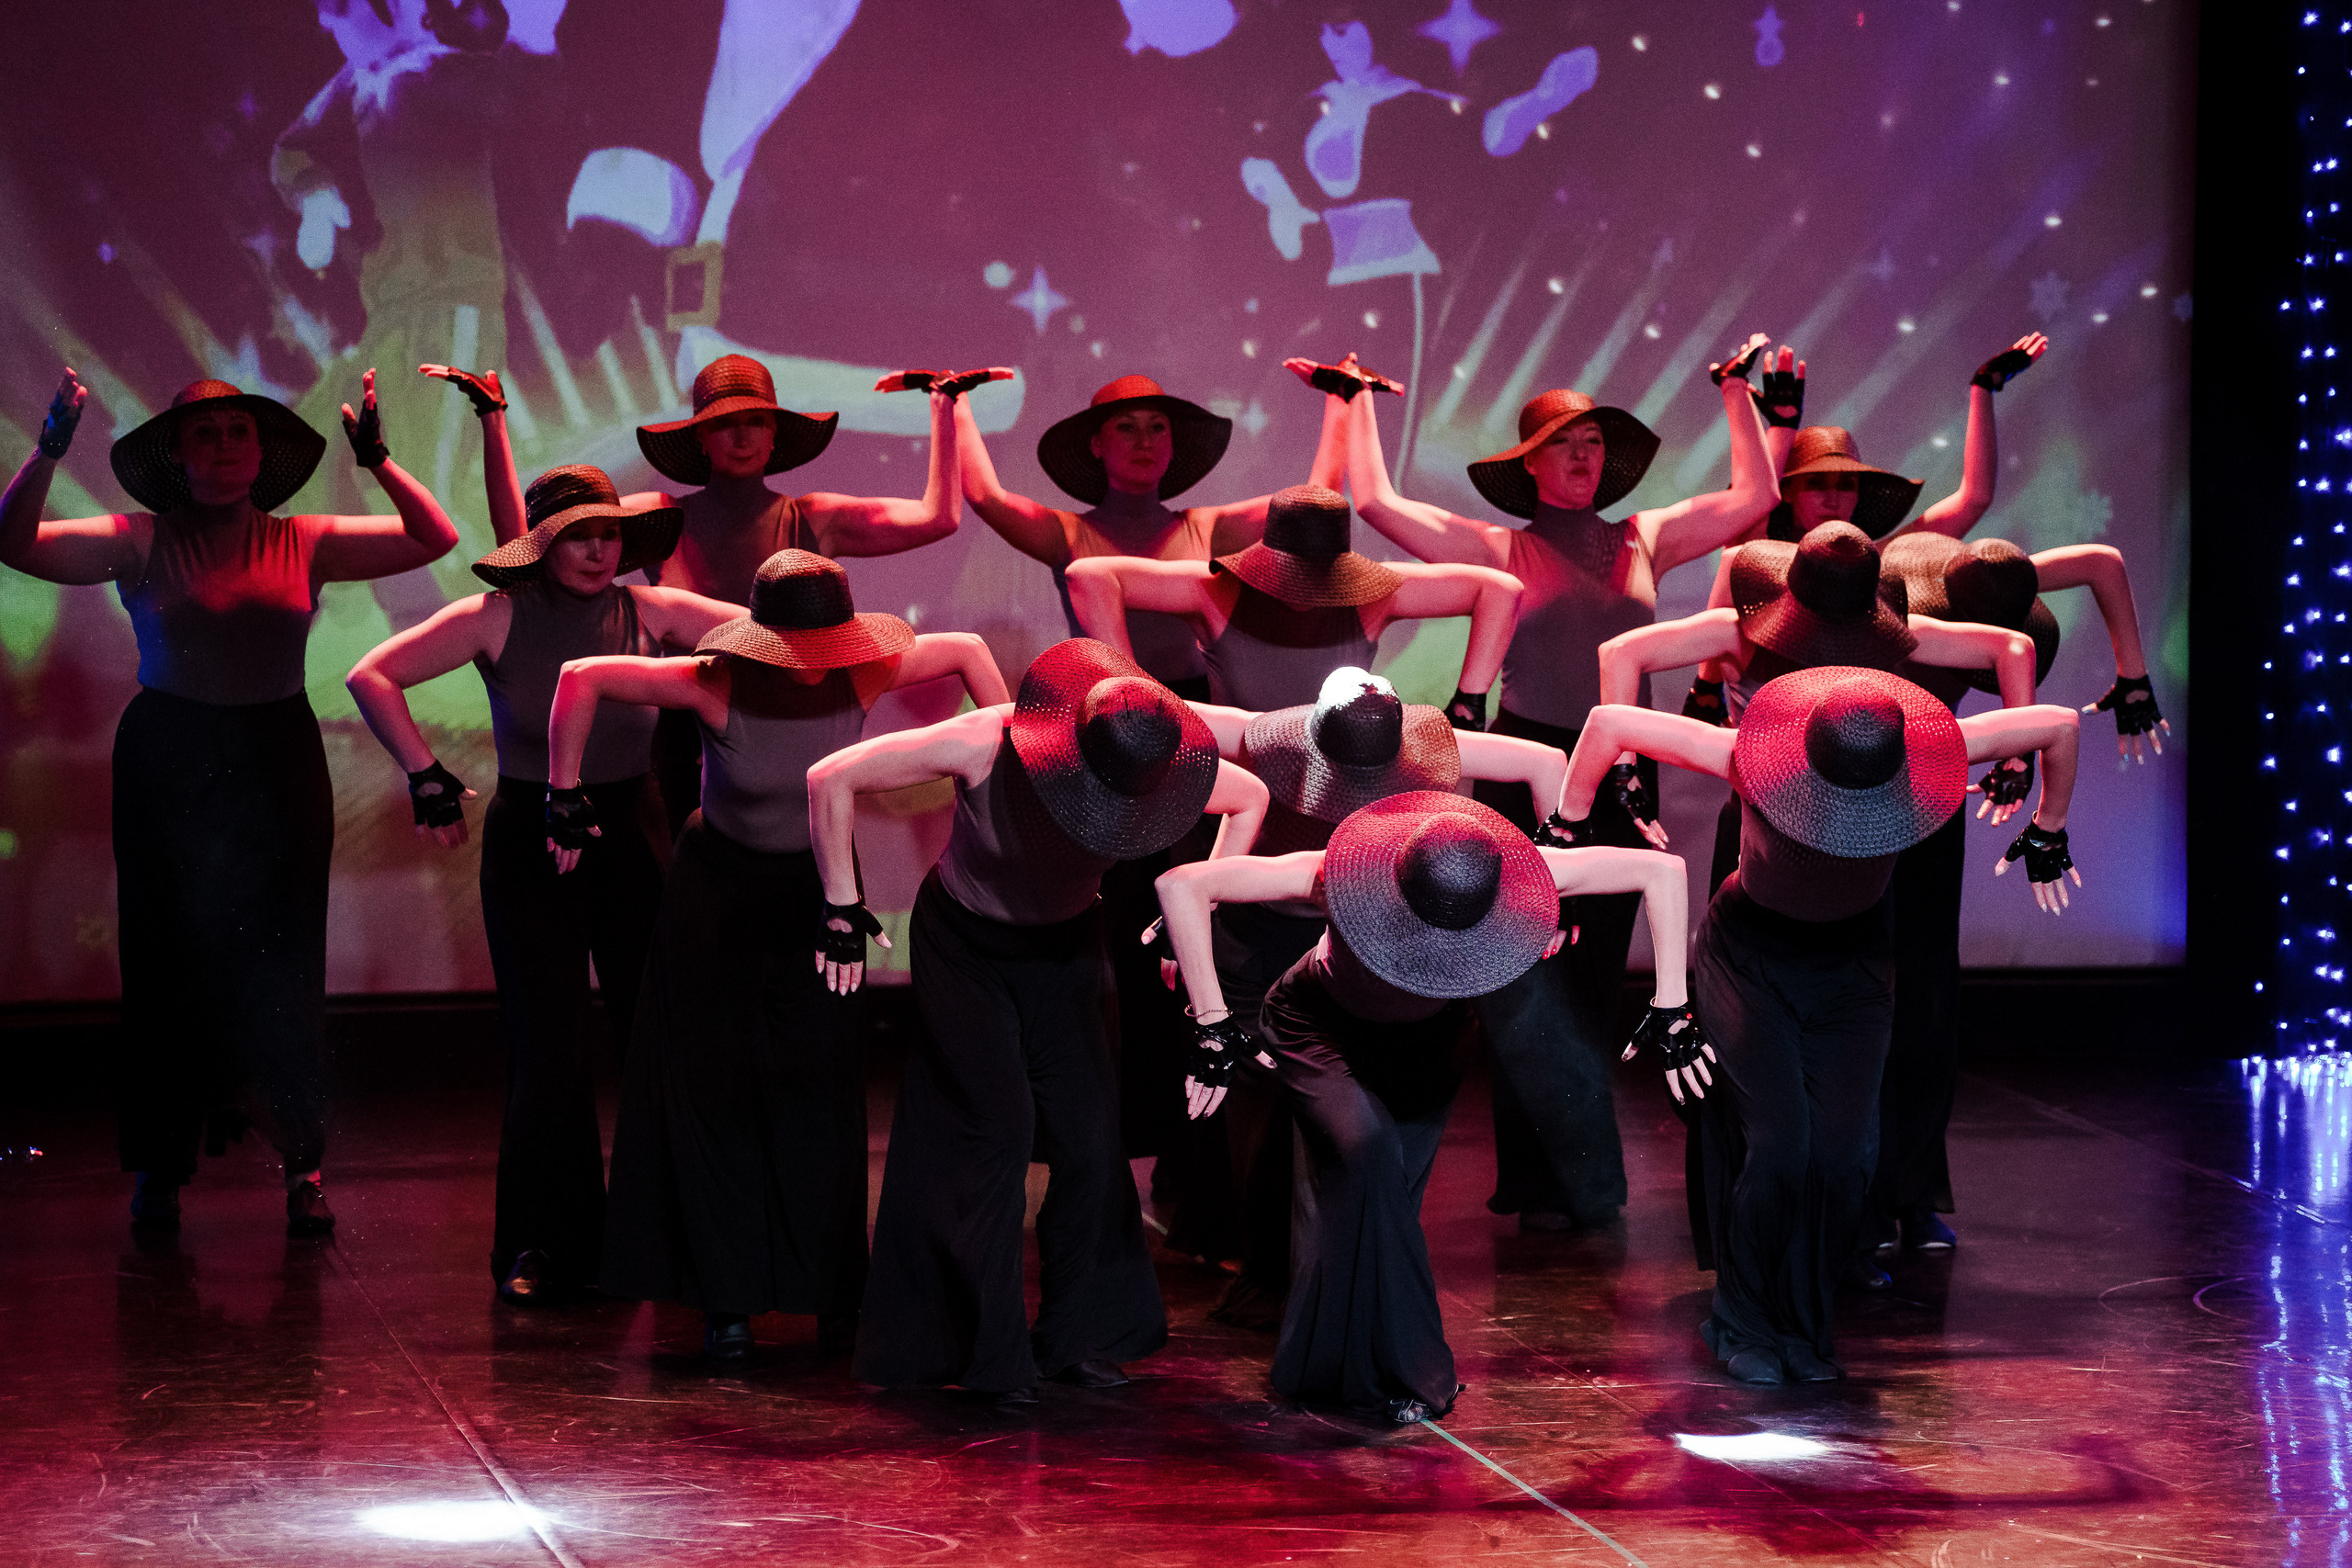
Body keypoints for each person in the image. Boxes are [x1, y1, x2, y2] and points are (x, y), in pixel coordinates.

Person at [0, 367, 459, 1236]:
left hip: (276, 755)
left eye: (238, 432)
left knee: (284, 963)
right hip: (170, 757)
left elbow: (432, 536)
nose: (223, 445)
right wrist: (50, 445)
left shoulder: (307, 536)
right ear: (177, 454)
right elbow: (13, 542)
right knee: (165, 966)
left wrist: (382, 460)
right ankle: (160, 1173)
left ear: (262, 452)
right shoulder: (139, 539)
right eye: (204, 434)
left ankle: (303, 1165)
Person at [1334, 337, 1779, 1232]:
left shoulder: (1642, 537)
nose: (1583, 460)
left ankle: (1584, 1180)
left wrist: (1736, 391)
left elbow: (1757, 499)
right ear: (1527, 465)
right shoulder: (1499, 546)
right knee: (1521, 965)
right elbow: (1375, 502)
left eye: (1592, 445)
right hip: (1525, 763)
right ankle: (1535, 1180)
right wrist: (1353, 400)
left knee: (1593, 969)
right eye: (1563, 446)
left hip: (1621, 769)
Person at [1555, 668, 2085, 1383]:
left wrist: (2050, 826)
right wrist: (1565, 827)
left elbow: (2061, 726)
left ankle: (1802, 1327)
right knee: (1778, 1148)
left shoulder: (1935, 753)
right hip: (1750, 957)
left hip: (1855, 969)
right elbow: (1607, 722)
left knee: (1844, 1157)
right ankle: (1739, 1320)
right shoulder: (1749, 754)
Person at [546, 547, 1007, 1361]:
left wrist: (999, 776)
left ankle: (831, 1291)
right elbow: (580, 675)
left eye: (825, 643)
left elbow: (969, 651)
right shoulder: (713, 680)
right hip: (716, 898)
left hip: (822, 890)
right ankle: (726, 1299)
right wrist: (564, 790)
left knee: (820, 1086)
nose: (811, 664)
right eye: (796, 648)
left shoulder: (860, 674)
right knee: (716, 1091)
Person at [807, 638, 1269, 1404]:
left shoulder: (1161, 747)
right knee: (1001, 1132)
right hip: (967, 947)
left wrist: (1206, 905)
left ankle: (1073, 1337)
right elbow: (832, 775)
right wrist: (839, 901)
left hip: (1067, 951)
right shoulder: (984, 740)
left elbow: (1249, 796)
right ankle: (989, 1352)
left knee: (1090, 1148)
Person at [1152, 791, 1700, 1422]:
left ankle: (1334, 1366)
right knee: (1367, 1153)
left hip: (1431, 1044)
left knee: (1386, 1202)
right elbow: (1182, 881)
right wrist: (1213, 1024)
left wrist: (1671, 1007)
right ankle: (1404, 1366)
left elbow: (1663, 869)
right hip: (1320, 1029)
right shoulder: (1342, 873)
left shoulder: (1508, 877)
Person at [345, 463, 737, 1302]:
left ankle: (664, 1236)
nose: (600, 551)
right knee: (548, 1045)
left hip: (635, 830)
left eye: (611, 535)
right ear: (542, 543)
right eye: (579, 536)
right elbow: (369, 676)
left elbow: (774, 630)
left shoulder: (652, 610)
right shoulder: (498, 616)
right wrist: (425, 774)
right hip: (532, 838)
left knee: (653, 1033)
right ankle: (542, 1244)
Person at [956, 375, 1340, 1214]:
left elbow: (1314, 502)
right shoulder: (1072, 530)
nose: (1142, 441)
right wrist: (951, 404)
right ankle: (1111, 1162)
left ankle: (1187, 1171)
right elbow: (982, 494)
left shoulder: (1208, 530)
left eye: (1157, 428)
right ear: (1095, 444)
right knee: (1127, 960)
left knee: (1190, 950)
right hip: (1108, 746)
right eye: (1125, 428)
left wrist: (1344, 404)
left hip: (1201, 736)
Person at [1165, 667, 1586, 1324]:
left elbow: (1546, 761)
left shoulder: (1429, 751)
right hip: (1268, 932)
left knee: (1349, 1122)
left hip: (1363, 945)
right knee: (1261, 1117)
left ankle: (1331, 1282)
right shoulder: (1269, 743)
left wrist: (1548, 864)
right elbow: (1173, 729)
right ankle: (1270, 1276)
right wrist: (1190, 926)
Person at [1854, 531, 2168, 1258]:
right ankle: (1859, 1196)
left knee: (1928, 993)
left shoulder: (1997, 575)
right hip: (1844, 784)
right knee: (1858, 989)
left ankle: (1912, 1193)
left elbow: (2100, 564)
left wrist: (2130, 679)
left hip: (1927, 782)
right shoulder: (1889, 595)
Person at [624, 354, 968, 836]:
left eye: (756, 421)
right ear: (700, 436)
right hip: (689, 749)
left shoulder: (813, 517)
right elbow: (546, 538)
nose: (742, 437)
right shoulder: (658, 517)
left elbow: (939, 518)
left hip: (792, 741)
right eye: (726, 424)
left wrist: (944, 409)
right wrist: (493, 422)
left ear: (775, 433)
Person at [1682, 334, 2049, 716]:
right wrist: (1781, 428)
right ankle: (1704, 693)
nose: (1832, 497)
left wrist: (1983, 388)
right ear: (1789, 493)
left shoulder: (1882, 562)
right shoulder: (1754, 566)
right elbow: (1755, 502)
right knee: (1739, 558)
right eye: (1816, 483)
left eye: (1846, 484)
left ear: (1860, 496)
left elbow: (1973, 498)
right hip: (1765, 741)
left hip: (1853, 741)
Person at [1065, 483, 1522, 715]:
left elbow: (1501, 589)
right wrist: (1129, 690)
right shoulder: (1217, 589)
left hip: (1337, 791)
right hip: (1235, 796)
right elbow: (1089, 574)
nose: (1303, 593)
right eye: (1293, 577)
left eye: (1318, 579)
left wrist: (1468, 706)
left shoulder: (1371, 597)